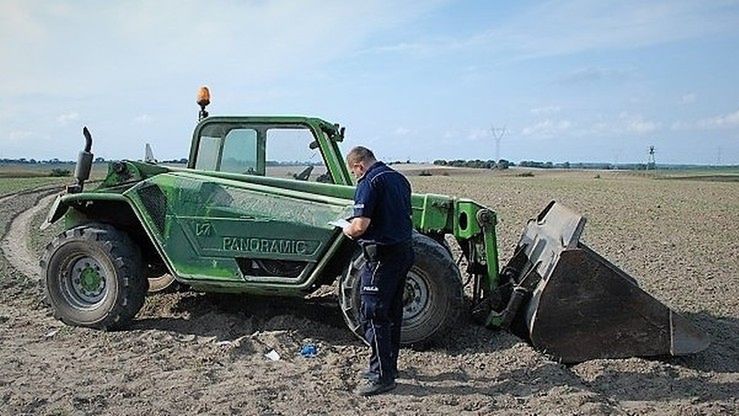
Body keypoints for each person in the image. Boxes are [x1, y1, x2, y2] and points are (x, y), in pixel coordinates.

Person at [342, 146, 415, 396]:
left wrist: (346, 229)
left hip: (381, 257)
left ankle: (381, 377)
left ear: (359, 166)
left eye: (354, 172)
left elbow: (360, 226)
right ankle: (389, 367)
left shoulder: (369, 182)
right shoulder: (398, 178)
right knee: (392, 312)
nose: (356, 176)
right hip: (403, 252)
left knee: (373, 314)